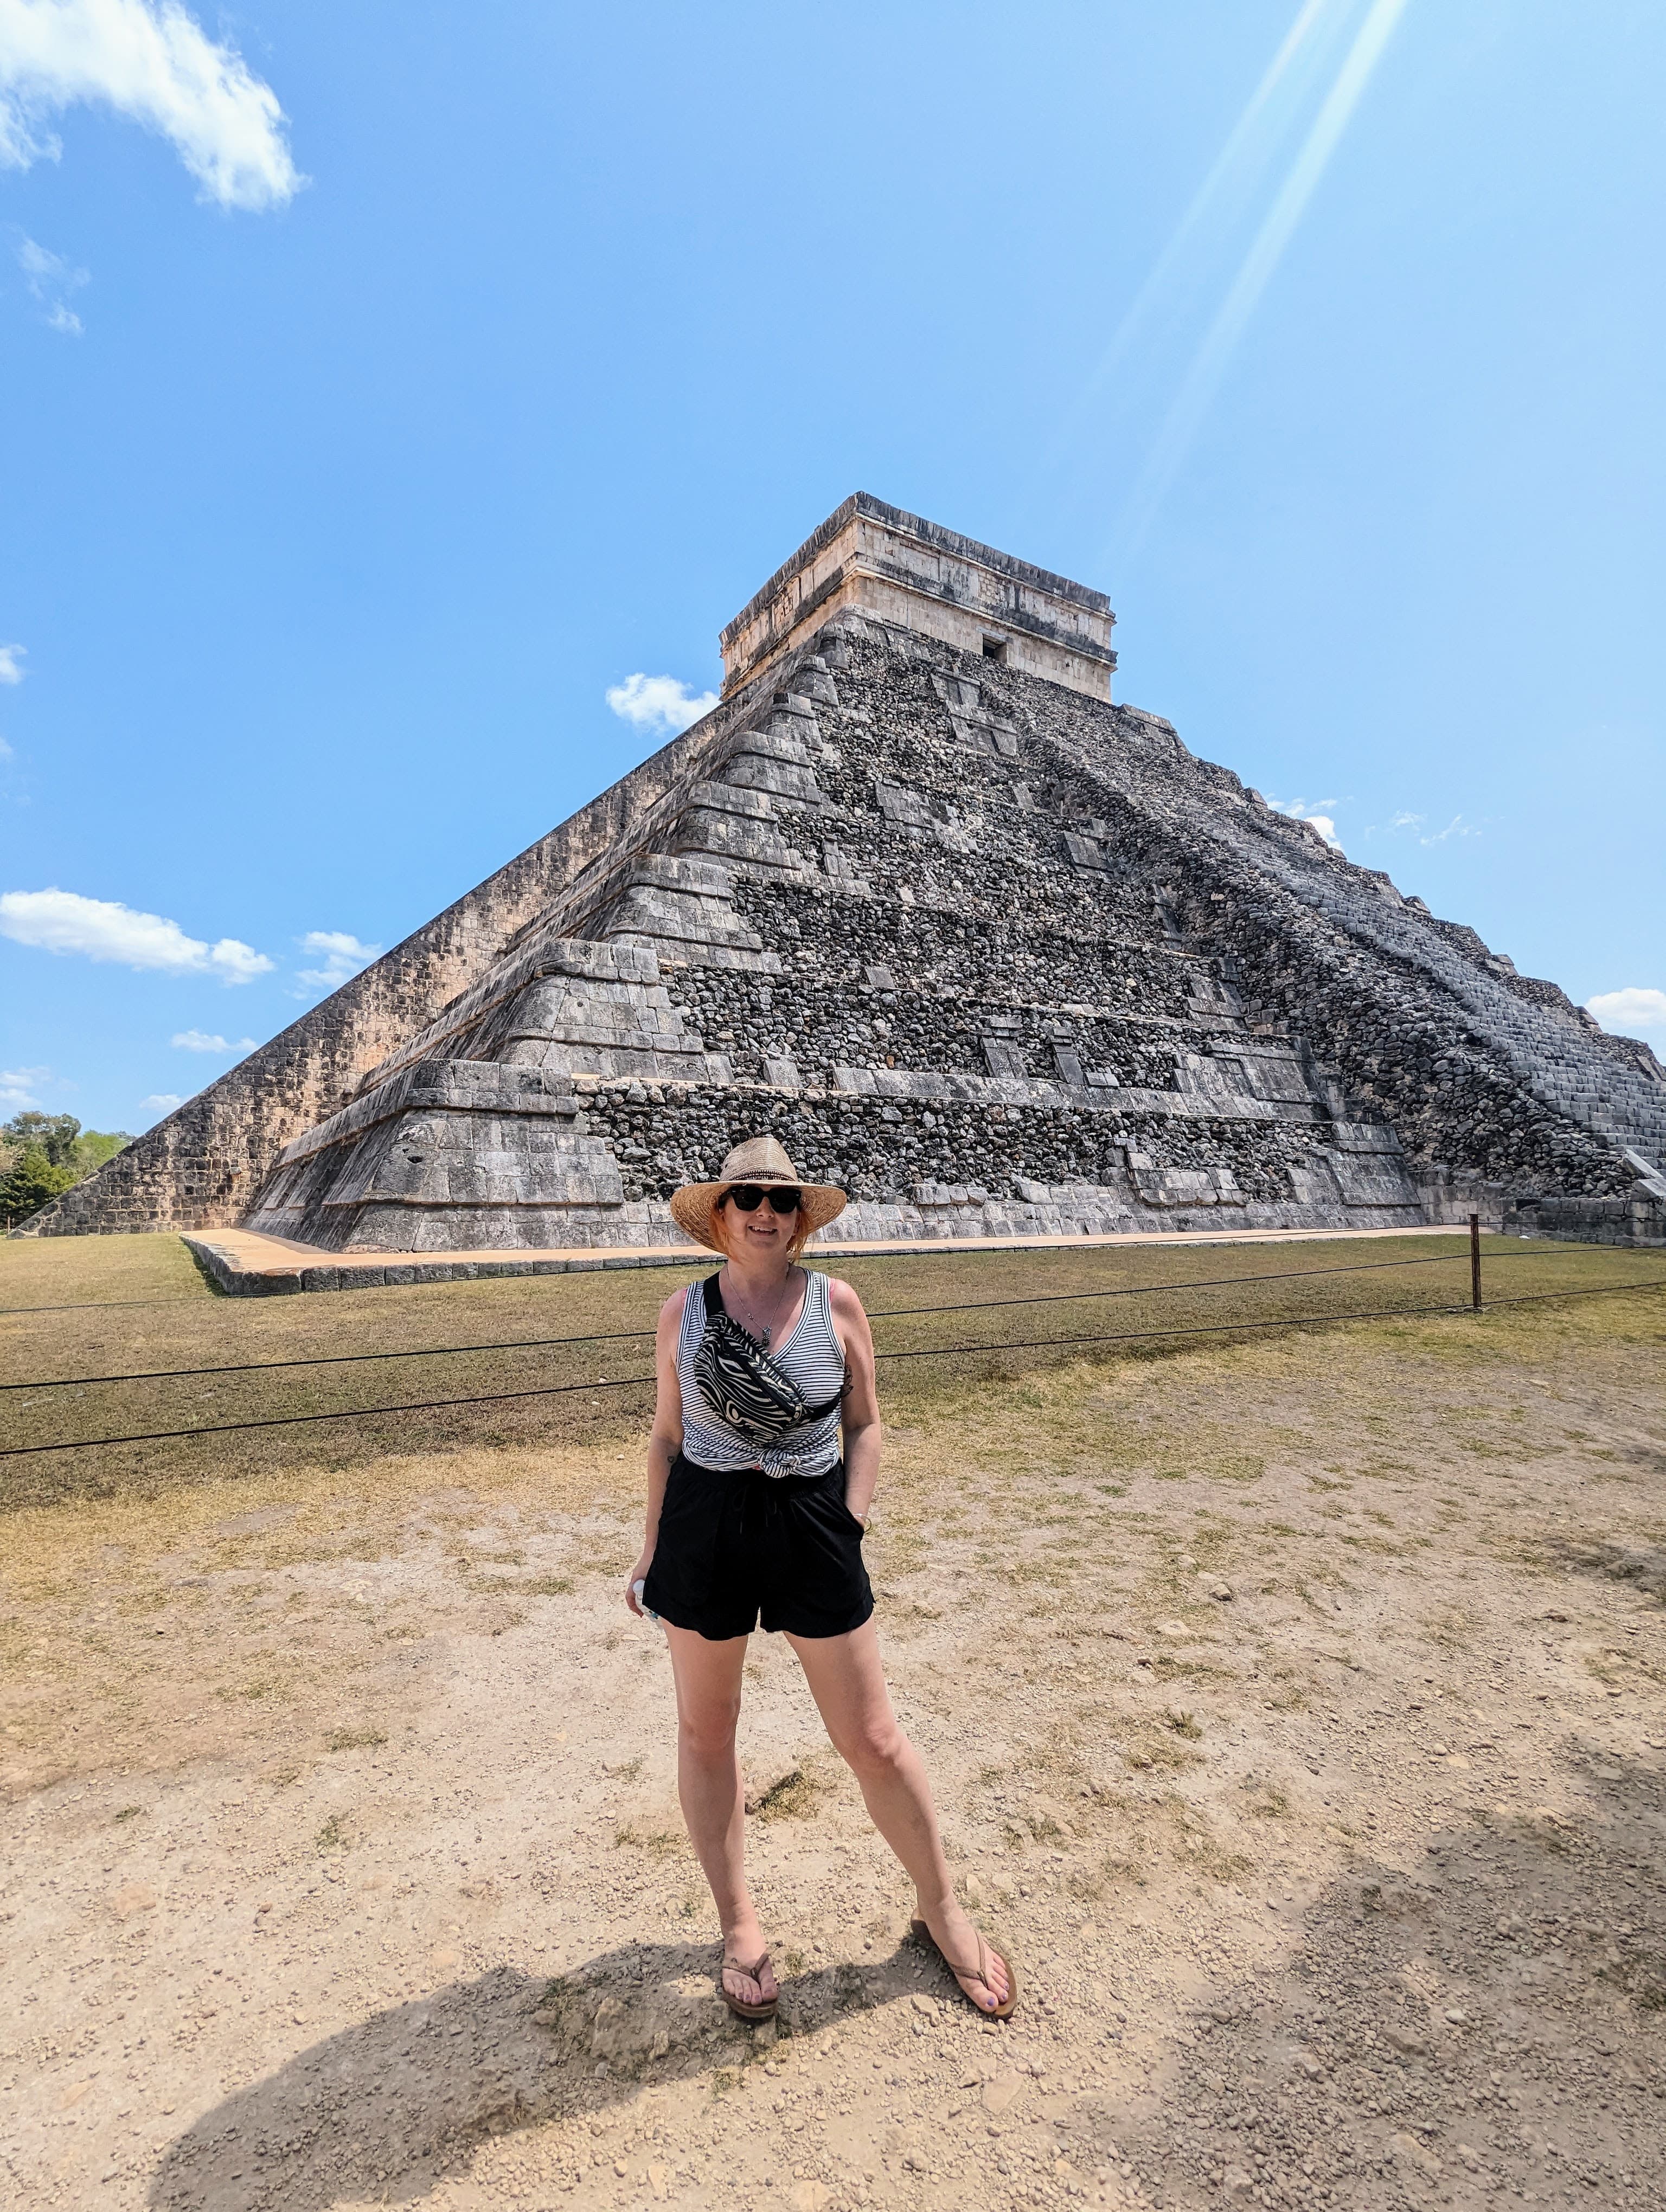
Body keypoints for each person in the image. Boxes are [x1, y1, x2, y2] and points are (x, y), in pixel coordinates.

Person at [625, 1135, 1017, 2023]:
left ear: (801, 1219)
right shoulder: (680, 1313)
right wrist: (651, 1547)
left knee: (873, 1739)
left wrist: (848, 1519)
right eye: (748, 1196)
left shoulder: (837, 1302)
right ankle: (739, 1926)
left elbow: (868, 1424)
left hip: (811, 1523)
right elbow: (666, 1436)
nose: (766, 1211)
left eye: (783, 1199)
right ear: (719, 1217)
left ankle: (942, 1908)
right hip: (707, 1524)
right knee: (704, 1734)